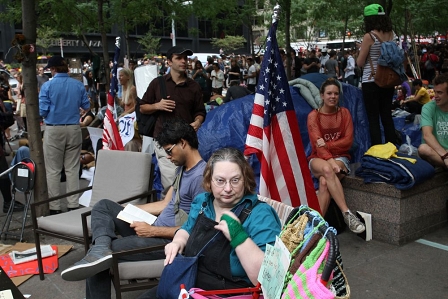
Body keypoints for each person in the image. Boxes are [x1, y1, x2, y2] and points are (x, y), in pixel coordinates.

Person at [61, 119, 207, 299]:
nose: (168, 157)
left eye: (169, 151)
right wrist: (127, 210)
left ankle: (100, 250)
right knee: (104, 206)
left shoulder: (201, 178)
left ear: (183, 143)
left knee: (100, 259)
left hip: (167, 241)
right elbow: (164, 204)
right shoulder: (183, 168)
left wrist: (152, 231)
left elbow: (195, 230)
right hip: (155, 225)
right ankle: (100, 247)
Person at [138, 147, 282, 298]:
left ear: (245, 179)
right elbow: (187, 228)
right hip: (190, 283)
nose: (227, 188)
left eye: (235, 180)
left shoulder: (261, 214)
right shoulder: (203, 202)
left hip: (228, 293)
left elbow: (268, 280)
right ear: (209, 180)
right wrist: (178, 242)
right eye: (220, 181)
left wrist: (238, 235)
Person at [139, 46, 206, 193]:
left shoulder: (193, 86)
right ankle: (171, 212)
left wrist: (198, 121)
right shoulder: (157, 83)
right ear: (169, 62)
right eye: (179, 58)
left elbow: (200, 111)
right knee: (171, 185)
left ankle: (187, 211)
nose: (183, 61)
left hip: (187, 142)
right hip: (165, 143)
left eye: (185, 58)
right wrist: (157, 105)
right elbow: (142, 107)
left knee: (192, 180)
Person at [307, 78, 365, 233]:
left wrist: (327, 145)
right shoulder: (314, 116)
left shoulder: (344, 113)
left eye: (336, 94)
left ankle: (314, 229)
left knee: (324, 182)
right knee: (327, 169)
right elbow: (317, 146)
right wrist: (331, 160)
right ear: (322, 95)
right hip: (317, 159)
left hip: (341, 158)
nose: (332, 96)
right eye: (329, 93)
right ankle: (347, 213)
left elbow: (348, 141)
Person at [39, 56, 90, 215]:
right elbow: (86, 105)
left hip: (54, 128)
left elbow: (42, 111)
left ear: (53, 69)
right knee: (72, 168)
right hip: (73, 128)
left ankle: (54, 207)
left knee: (53, 169)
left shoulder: (47, 86)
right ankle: (73, 204)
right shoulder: (78, 84)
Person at [357, 4, 397, 146]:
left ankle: (377, 151)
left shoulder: (370, 36)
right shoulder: (392, 34)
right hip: (388, 80)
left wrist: (360, 50)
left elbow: (360, 62)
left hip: (371, 80)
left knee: (373, 118)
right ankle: (392, 147)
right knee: (387, 115)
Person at [418, 73, 448, 168]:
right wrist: (445, 156)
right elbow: (427, 135)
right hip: (438, 153)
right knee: (423, 149)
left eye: (440, 92)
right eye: (435, 92)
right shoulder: (428, 108)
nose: (436, 96)